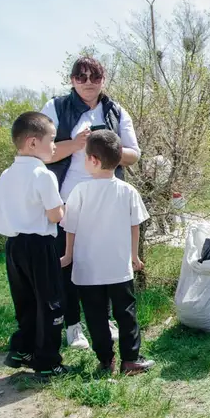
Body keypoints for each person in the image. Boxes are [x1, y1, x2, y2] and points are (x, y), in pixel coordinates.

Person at [41, 56, 142, 349]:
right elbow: (42, 153)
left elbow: (134, 154)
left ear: (103, 79)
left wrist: (107, 145)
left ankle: (105, 319)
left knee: (105, 263)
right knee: (67, 263)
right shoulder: (56, 107)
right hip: (65, 201)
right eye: (81, 77)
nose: (88, 82)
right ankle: (74, 326)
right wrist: (77, 144)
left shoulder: (115, 110)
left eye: (94, 77)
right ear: (72, 80)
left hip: (108, 202)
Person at [60, 130, 155, 375]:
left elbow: (70, 227)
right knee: (126, 314)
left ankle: (105, 360)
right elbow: (135, 227)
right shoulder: (127, 190)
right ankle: (130, 360)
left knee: (95, 316)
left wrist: (68, 255)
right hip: (118, 267)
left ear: (93, 160)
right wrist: (134, 256)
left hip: (87, 268)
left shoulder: (79, 191)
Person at [0, 112, 68, 379]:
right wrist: (62, 208)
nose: (54, 146)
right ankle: (48, 360)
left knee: (25, 301)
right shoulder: (42, 174)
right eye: (51, 140)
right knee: (50, 302)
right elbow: (54, 215)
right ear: (32, 142)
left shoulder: (6, 174)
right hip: (39, 245)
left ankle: (22, 349)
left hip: (13, 246)